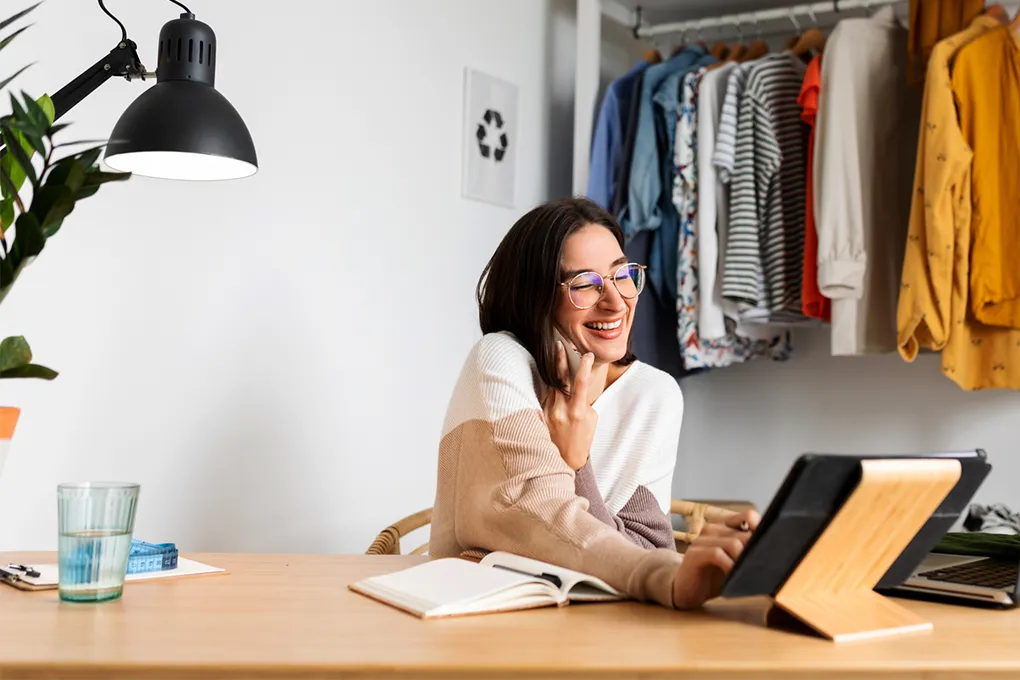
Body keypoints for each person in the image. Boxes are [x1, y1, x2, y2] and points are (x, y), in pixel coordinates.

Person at [429, 197, 760, 609]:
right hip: (476, 622)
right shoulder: (500, 360)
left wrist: (577, 464)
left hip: (603, 627)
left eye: (623, 274)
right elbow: (532, 514)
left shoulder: (654, 395)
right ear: (536, 296)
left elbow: (645, 545)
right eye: (586, 284)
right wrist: (661, 574)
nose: (617, 302)